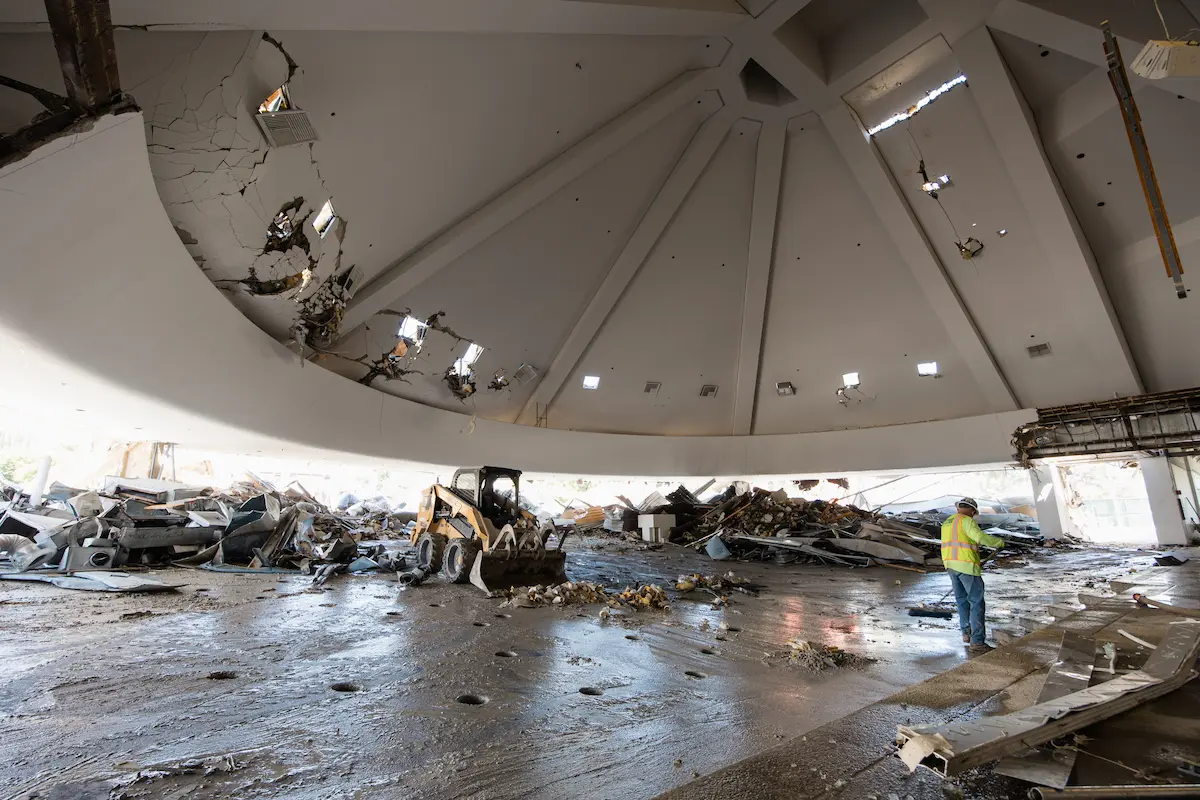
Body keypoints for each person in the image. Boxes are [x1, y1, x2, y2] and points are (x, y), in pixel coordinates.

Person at [941, 497, 1004, 654]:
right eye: (974, 513)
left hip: (950, 565)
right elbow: (980, 538)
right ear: (972, 511)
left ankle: (966, 633)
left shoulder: (947, 522)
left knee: (962, 601)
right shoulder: (967, 521)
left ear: (958, 508)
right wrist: (999, 543)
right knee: (976, 602)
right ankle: (977, 641)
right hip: (967, 566)